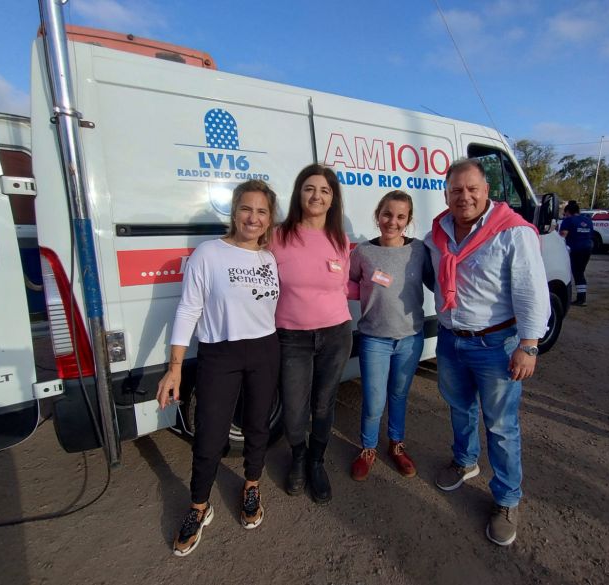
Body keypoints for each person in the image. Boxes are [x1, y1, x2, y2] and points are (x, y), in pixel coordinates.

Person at [425, 158, 550, 547]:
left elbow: (532, 291)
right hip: (451, 338)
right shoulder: (439, 233)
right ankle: (465, 462)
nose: (464, 196)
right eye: (456, 190)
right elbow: (432, 276)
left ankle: (507, 499)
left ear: (486, 190)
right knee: (459, 408)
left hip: (497, 344)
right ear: (446, 194)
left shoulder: (512, 232)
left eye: (471, 189)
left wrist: (529, 346)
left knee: (501, 424)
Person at [156, 179, 280, 557]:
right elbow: (188, 309)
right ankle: (199, 506)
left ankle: (252, 484)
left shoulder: (269, 257)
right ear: (234, 211)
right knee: (209, 435)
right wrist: (175, 366)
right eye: (246, 208)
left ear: (270, 218)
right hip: (219, 354)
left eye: (261, 211)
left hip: (265, 349)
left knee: (258, 425)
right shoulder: (209, 253)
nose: (253, 218)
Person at [270, 164, 353, 505]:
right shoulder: (277, 236)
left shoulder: (340, 240)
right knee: (293, 409)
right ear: (298, 193)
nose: (316, 196)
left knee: (323, 405)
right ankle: (298, 457)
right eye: (309, 188)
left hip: (335, 333)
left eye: (325, 190)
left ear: (333, 199)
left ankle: (316, 462)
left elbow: (346, 284)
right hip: (291, 336)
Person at [347, 190, 433, 481]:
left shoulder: (419, 250)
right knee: (373, 400)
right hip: (374, 339)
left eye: (400, 216)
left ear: (408, 220)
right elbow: (344, 281)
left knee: (398, 395)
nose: (392, 222)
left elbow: (440, 280)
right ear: (377, 215)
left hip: (410, 339)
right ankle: (368, 449)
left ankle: (396, 445)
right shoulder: (363, 252)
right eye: (387, 214)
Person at [559, 200, 594, 306]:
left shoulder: (568, 220)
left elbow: (563, 235)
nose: (565, 215)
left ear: (568, 212)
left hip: (575, 249)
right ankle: (582, 297)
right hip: (587, 248)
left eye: (565, 214)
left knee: (575, 272)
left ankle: (580, 299)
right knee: (580, 272)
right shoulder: (588, 220)